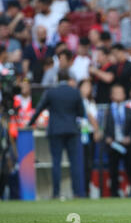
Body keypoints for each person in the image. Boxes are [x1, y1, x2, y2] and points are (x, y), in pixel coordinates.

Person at [27, 69, 86, 198]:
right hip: (72, 130)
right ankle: (77, 193)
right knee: (74, 163)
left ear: (57, 79)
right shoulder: (75, 92)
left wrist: (30, 123)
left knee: (56, 162)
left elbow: (39, 108)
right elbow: (81, 112)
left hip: (56, 130)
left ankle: (56, 193)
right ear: (69, 78)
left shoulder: (51, 92)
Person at [104, 83, 131, 197]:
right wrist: (107, 138)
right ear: (111, 96)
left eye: (120, 93)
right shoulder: (107, 111)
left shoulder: (129, 110)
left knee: (130, 168)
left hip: (127, 143)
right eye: (116, 93)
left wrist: (130, 137)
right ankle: (114, 192)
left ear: (124, 95)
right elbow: (102, 127)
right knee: (113, 169)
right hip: (113, 144)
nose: (118, 95)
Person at [78, 79, 101, 197]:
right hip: (80, 133)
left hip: (89, 134)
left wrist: (95, 130)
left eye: (89, 86)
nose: (88, 89)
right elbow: (90, 117)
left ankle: (86, 189)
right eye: (85, 86)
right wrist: (97, 129)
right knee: (82, 162)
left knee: (89, 163)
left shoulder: (91, 102)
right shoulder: (79, 101)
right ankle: (81, 189)